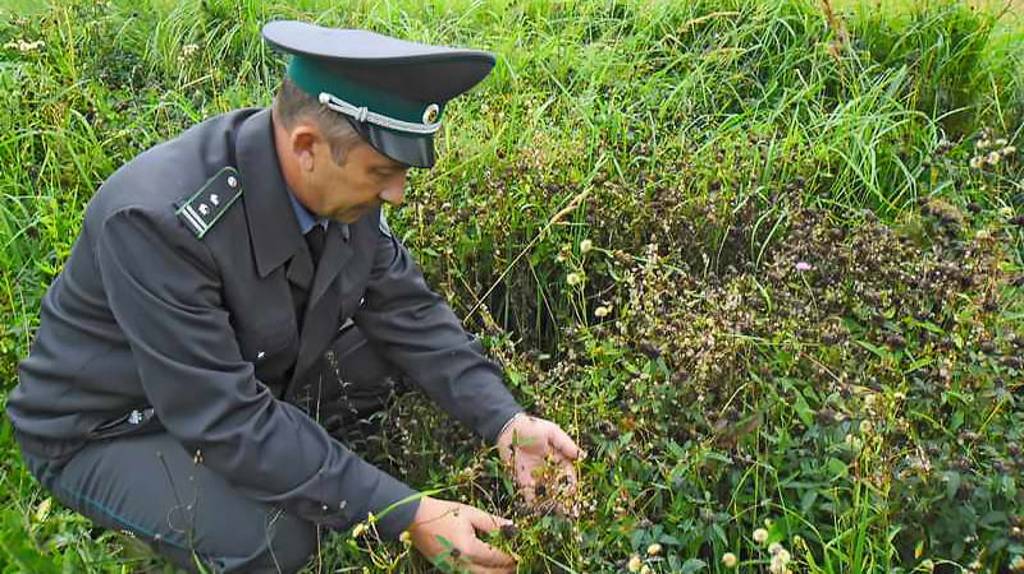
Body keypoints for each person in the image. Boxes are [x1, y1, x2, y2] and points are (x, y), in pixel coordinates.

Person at [7, 20, 580, 573]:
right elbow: (225, 418)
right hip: (114, 426)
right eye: (382, 170)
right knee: (277, 538)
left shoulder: (340, 190)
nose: (398, 195)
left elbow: (407, 311)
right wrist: (406, 514)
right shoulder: (159, 222)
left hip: (244, 372)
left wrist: (507, 422)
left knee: (391, 358)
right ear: (307, 145)